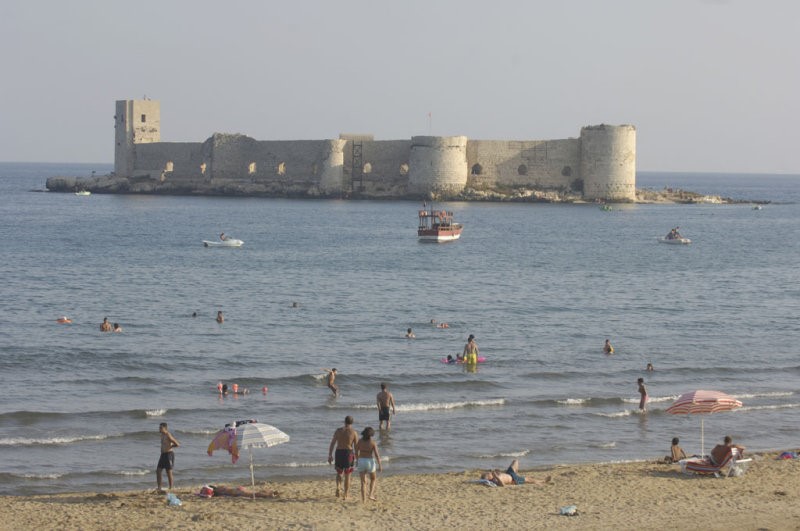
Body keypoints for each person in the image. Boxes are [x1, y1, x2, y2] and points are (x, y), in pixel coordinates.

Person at [328, 415, 358, 500]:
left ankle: (338, 486)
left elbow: (332, 443)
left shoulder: (338, 431)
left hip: (339, 452)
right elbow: (356, 447)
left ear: (344, 422)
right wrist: (357, 457)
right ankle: (346, 494)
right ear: (352, 422)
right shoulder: (354, 432)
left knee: (339, 472)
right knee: (348, 475)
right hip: (348, 453)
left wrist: (330, 455)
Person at [479, 460, 552, 487]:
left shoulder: (494, 476)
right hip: (514, 479)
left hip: (509, 473)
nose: (489, 473)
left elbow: (483, 478)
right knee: (529, 480)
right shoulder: (495, 480)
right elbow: (503, 485)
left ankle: (516, 473)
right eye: (488, 474)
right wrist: (496, 476)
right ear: (489, 478)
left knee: (515, 461)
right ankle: (543, 481)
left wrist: (495, 472)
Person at [356, 426, 382, 502]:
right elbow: (377, 455)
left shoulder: (360, 441)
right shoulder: (372, 442)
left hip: (361, 460)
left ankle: (363, 500)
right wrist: (380, 465)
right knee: (373, 479)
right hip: (370, 461)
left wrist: (357, 460)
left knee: (363, 482)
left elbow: (356, 452)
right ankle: (371, 494)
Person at [156, 422, 180, 493]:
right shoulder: (162, 435)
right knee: (158, 470)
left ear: (165, 428)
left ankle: (171, 487)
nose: (159, 429)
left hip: (169, 454)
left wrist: (171, 446)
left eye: (161, 428)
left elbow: (177, 444)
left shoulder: (168, 435)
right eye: (159, 427)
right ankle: (159, 487)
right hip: (162, 455)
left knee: (168, 472)